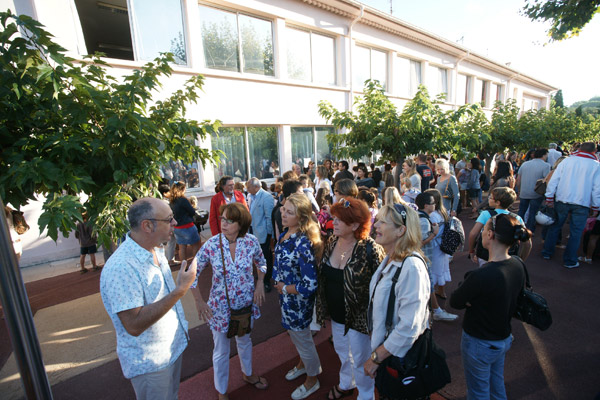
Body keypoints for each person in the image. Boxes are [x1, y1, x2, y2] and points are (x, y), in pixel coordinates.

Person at [100, 197, 197, 400]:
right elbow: (133, 324)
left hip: (169, 350)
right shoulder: (122, 267)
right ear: (147, 226)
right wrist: (180, 290)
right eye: (169, 219)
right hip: (151, 362)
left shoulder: (156, 249)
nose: (175, 223)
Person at [191, 203, 268, 400]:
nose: (223, 223)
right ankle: (221, 390)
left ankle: (248, 374)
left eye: (229, 220)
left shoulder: (250, 242)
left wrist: (260, 283)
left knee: (244, 341)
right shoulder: (212, 244)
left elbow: (262, 262)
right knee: (221, 351)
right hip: (219, 308)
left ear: (241, 224)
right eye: (222, 219)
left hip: (245, 304)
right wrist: (199, 301)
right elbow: (191, 273)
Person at [450, 214, 530, 400]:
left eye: (484, 229)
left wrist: (472, 300)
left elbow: (455, 301)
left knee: (478, 392)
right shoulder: (518, 265)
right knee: (496, 384)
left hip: (480, 340)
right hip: (502, 336)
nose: (482, 233)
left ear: (490, 235)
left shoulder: (480, 276)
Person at [315, 197, 385, 400]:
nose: (333, 222)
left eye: (339, 220)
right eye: (333, 218)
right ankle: (346, 382)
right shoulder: (331, 242)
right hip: (336, 316)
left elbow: (381, 286)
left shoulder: (370, 249)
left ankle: (365, 394)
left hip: (359, 318)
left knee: (362, 358)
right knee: (342, 352)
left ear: (355, 224)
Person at [362, 203, 431, 381]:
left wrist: (377, 358)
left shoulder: (412, 267)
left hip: (400, 357)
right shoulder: (390, 258)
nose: (375, 225)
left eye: (382, 222)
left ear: (401, 231)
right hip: (389, 352)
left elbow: (410, 325)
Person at [273, 193, 323, 400]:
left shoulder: (302, 243)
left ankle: (313, 379)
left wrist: (285, 288)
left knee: (303, 340)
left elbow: (310, 284)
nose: (282, 214)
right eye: (284, 209)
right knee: (297, 338)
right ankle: (304, 364)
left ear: (301, 218)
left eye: (289, 212)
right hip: (286, 300)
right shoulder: (285, 234)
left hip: (297, 303)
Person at [542, 142, 600, 268]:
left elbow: (554, 180)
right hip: (582, 203)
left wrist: (549, 197)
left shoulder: (567, 161)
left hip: (562, 199)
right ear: (594, 151)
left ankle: (547, 252)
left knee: (555, 226)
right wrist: (596, 207)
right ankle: (570, 260)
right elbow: (597, 188)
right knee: (576, 232)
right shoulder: (596, 166)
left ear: (580, 149)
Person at [468, 187, 532, 266]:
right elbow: (527, 243)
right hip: (508, 256)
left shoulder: (486, 214)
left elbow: (473, 234)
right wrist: (521, 259)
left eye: (491, 198)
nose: (489, 199)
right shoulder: (516, 218)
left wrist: (471, 251)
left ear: (497, 202)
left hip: (485, 254)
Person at [247, 177, 275, 292]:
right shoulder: (250, 196)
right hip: (253, 231)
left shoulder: (266, 197)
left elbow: (269, 217)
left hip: (263, 233)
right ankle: (259, 276)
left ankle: (267, 280)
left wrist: (269, 235)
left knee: (266, 257)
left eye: (248, 187)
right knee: (256, 256)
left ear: (256, 187)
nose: (247, 189)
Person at [516, 149, 550, 232]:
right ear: (544, 155)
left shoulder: (525, 164)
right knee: (533, 212)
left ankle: (517, 227)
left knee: (521, 211)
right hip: (537, 193)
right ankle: (530, 230)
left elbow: (518, 179)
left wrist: (519, 190)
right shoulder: (546, 166)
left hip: (524, 192)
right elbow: (547, 180)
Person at [170, 181, 202, 262]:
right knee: (196, 245)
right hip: (187, 226)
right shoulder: (183, 200)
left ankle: (183, 266)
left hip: (177, 227)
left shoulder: (172, 200)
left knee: (182, 248)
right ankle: (195, 264)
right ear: (182, 189)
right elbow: (192, 211)